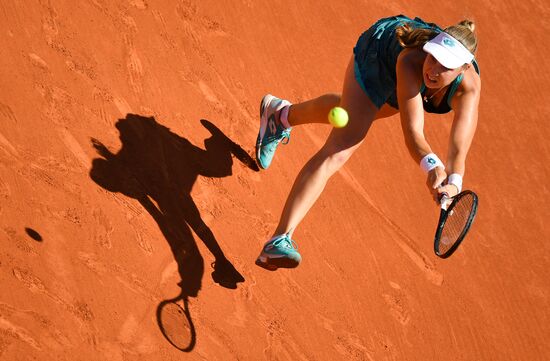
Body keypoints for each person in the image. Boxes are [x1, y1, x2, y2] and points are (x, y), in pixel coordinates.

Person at [254, 15, 481, 271]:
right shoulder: (411, 60)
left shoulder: (469, 89)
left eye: (446, 66)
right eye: (433, 57)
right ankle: (279, 239)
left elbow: (458, 151)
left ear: (464, 68)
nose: (433, 69)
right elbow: (413, 133)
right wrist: (432, 167)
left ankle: (279, 115)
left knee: (350, 112)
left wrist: (453, 184)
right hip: (379, 52)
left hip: (405, 80)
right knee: (342, 145)